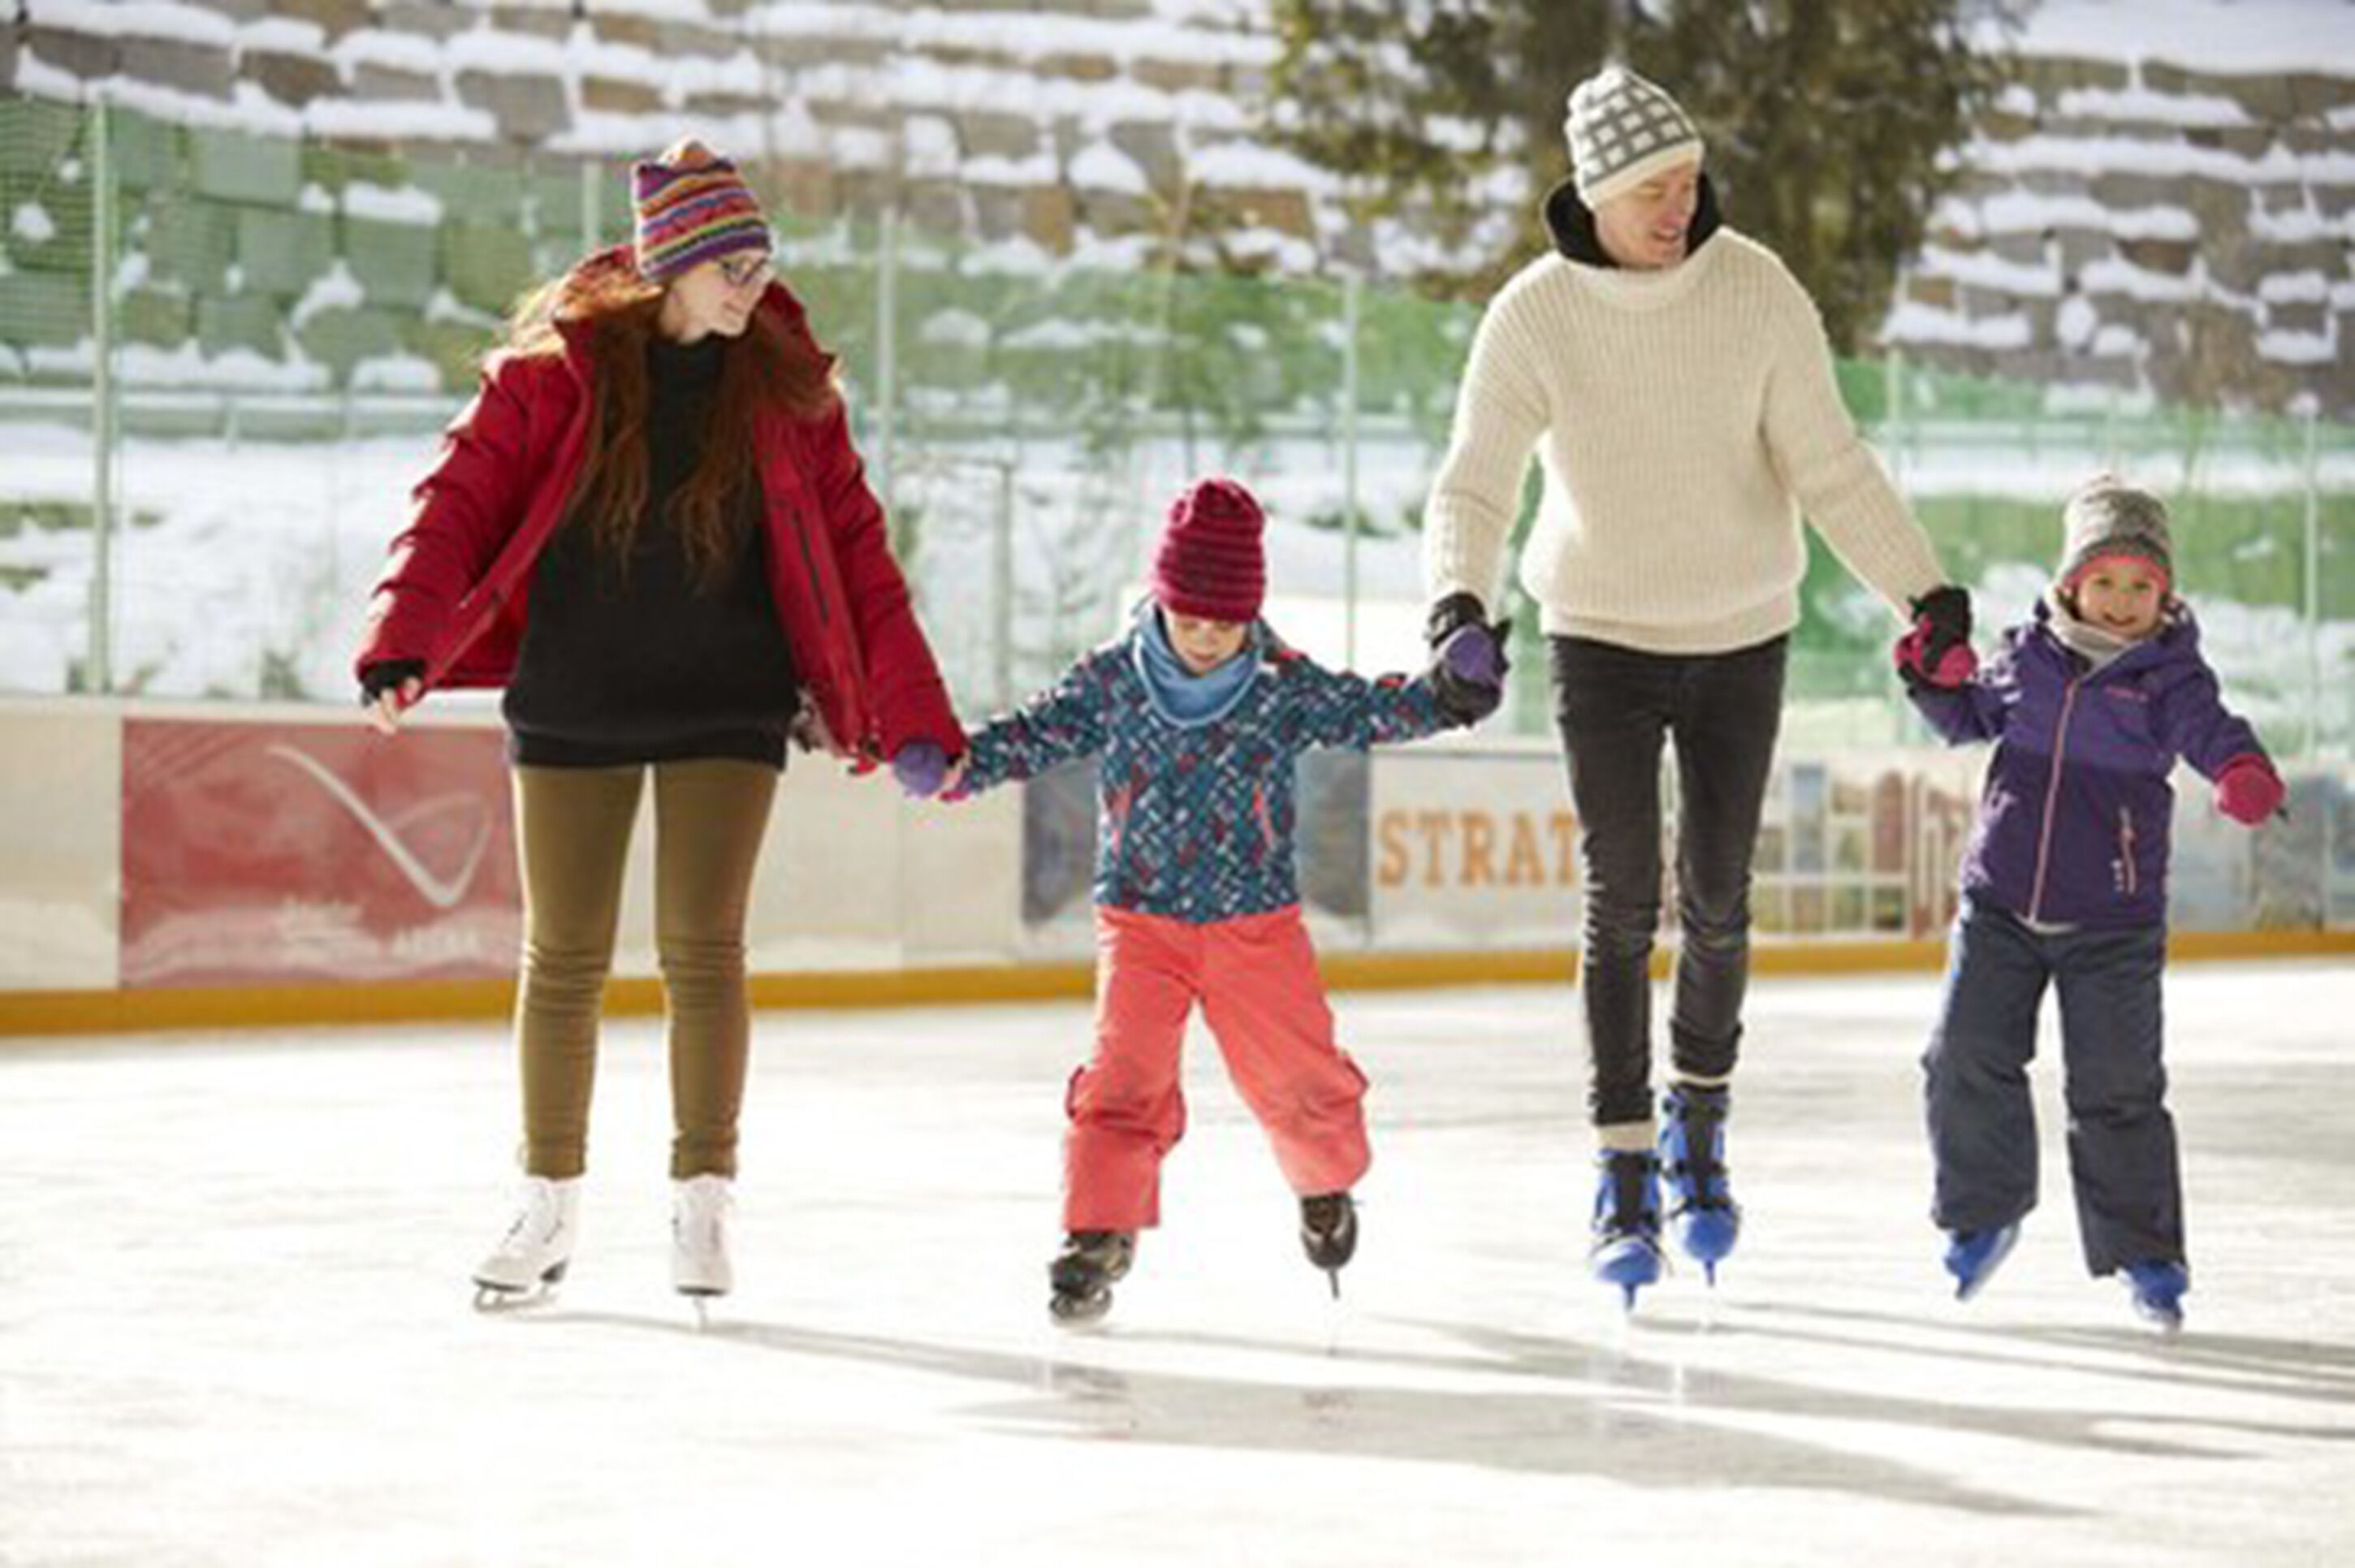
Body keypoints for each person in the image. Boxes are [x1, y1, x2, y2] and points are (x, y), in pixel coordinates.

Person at [352, 140, 961, 1311]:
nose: (751, 282)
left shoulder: (790, 394)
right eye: (729, 262)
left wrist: (914, 717)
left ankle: (703, 1201)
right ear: (669, 265)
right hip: (574, 692)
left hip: (727, 703)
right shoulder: (551, 377)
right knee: (563, 958)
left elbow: (861, 564)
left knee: (703, 945)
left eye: (759, 259)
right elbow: (454, 507)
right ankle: (547, 1204)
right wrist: (400, 641)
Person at [1419, 64, 1976, 1307]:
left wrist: (1923, 594)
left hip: (1741, 635)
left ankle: (1699, 1133)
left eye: (1688, 182)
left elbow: (1830, 465)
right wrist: (1460, 603)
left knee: (1718, 898)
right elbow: (1476, 481)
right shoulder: (1533, 314)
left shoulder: (1755, 290)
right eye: (1654, 190)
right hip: (1599, 635)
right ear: (1599, 196)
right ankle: (1621, 1162)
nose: (1681, 206)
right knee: (1621, 899)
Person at [942, 477, 1502, 1324]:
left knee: (1298, 1077)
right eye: (1189, 617)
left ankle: (1322, 1187)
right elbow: (1031, 733)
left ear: (1251, 612)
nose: (1205, 638)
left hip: (1255, 924)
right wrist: (954, 763)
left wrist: (1449, 694)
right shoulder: (1111, 681)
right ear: (1161, 599)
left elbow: (1367, 710)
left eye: (1224, 621)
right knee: (1121, 1078)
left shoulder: (1277, 684)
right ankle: (1098, 1229)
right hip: (1138, 920)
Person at [1900, 475, 2283, 1333]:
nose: (2119, 602)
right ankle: (1981, 1209)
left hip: (2111, 921)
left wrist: (2239, 771)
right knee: (1959, 1052)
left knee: (2115, 1088)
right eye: (2103, 581)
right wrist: (1929, 671)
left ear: (2164, 595)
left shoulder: (2167, 680)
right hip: (1997, 901)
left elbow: (2212, 730)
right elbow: (1963, 715)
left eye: (2139, 586)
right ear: (2068, 582)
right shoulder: (2026, 657)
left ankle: (2146, 1251)